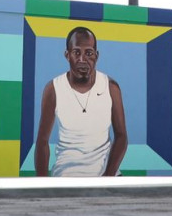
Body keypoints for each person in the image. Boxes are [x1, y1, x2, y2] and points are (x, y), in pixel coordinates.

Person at [34, 27, 128, 177]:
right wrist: (42, 184)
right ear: (67, 55)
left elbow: (121, 137)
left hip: (108, 176)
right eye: (76, 52)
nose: (83, 60)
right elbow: (42, 142)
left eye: (89, 53)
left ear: (96, 56)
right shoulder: (54, 89)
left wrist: (107, 178)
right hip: (66, 176)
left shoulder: (111, 88)